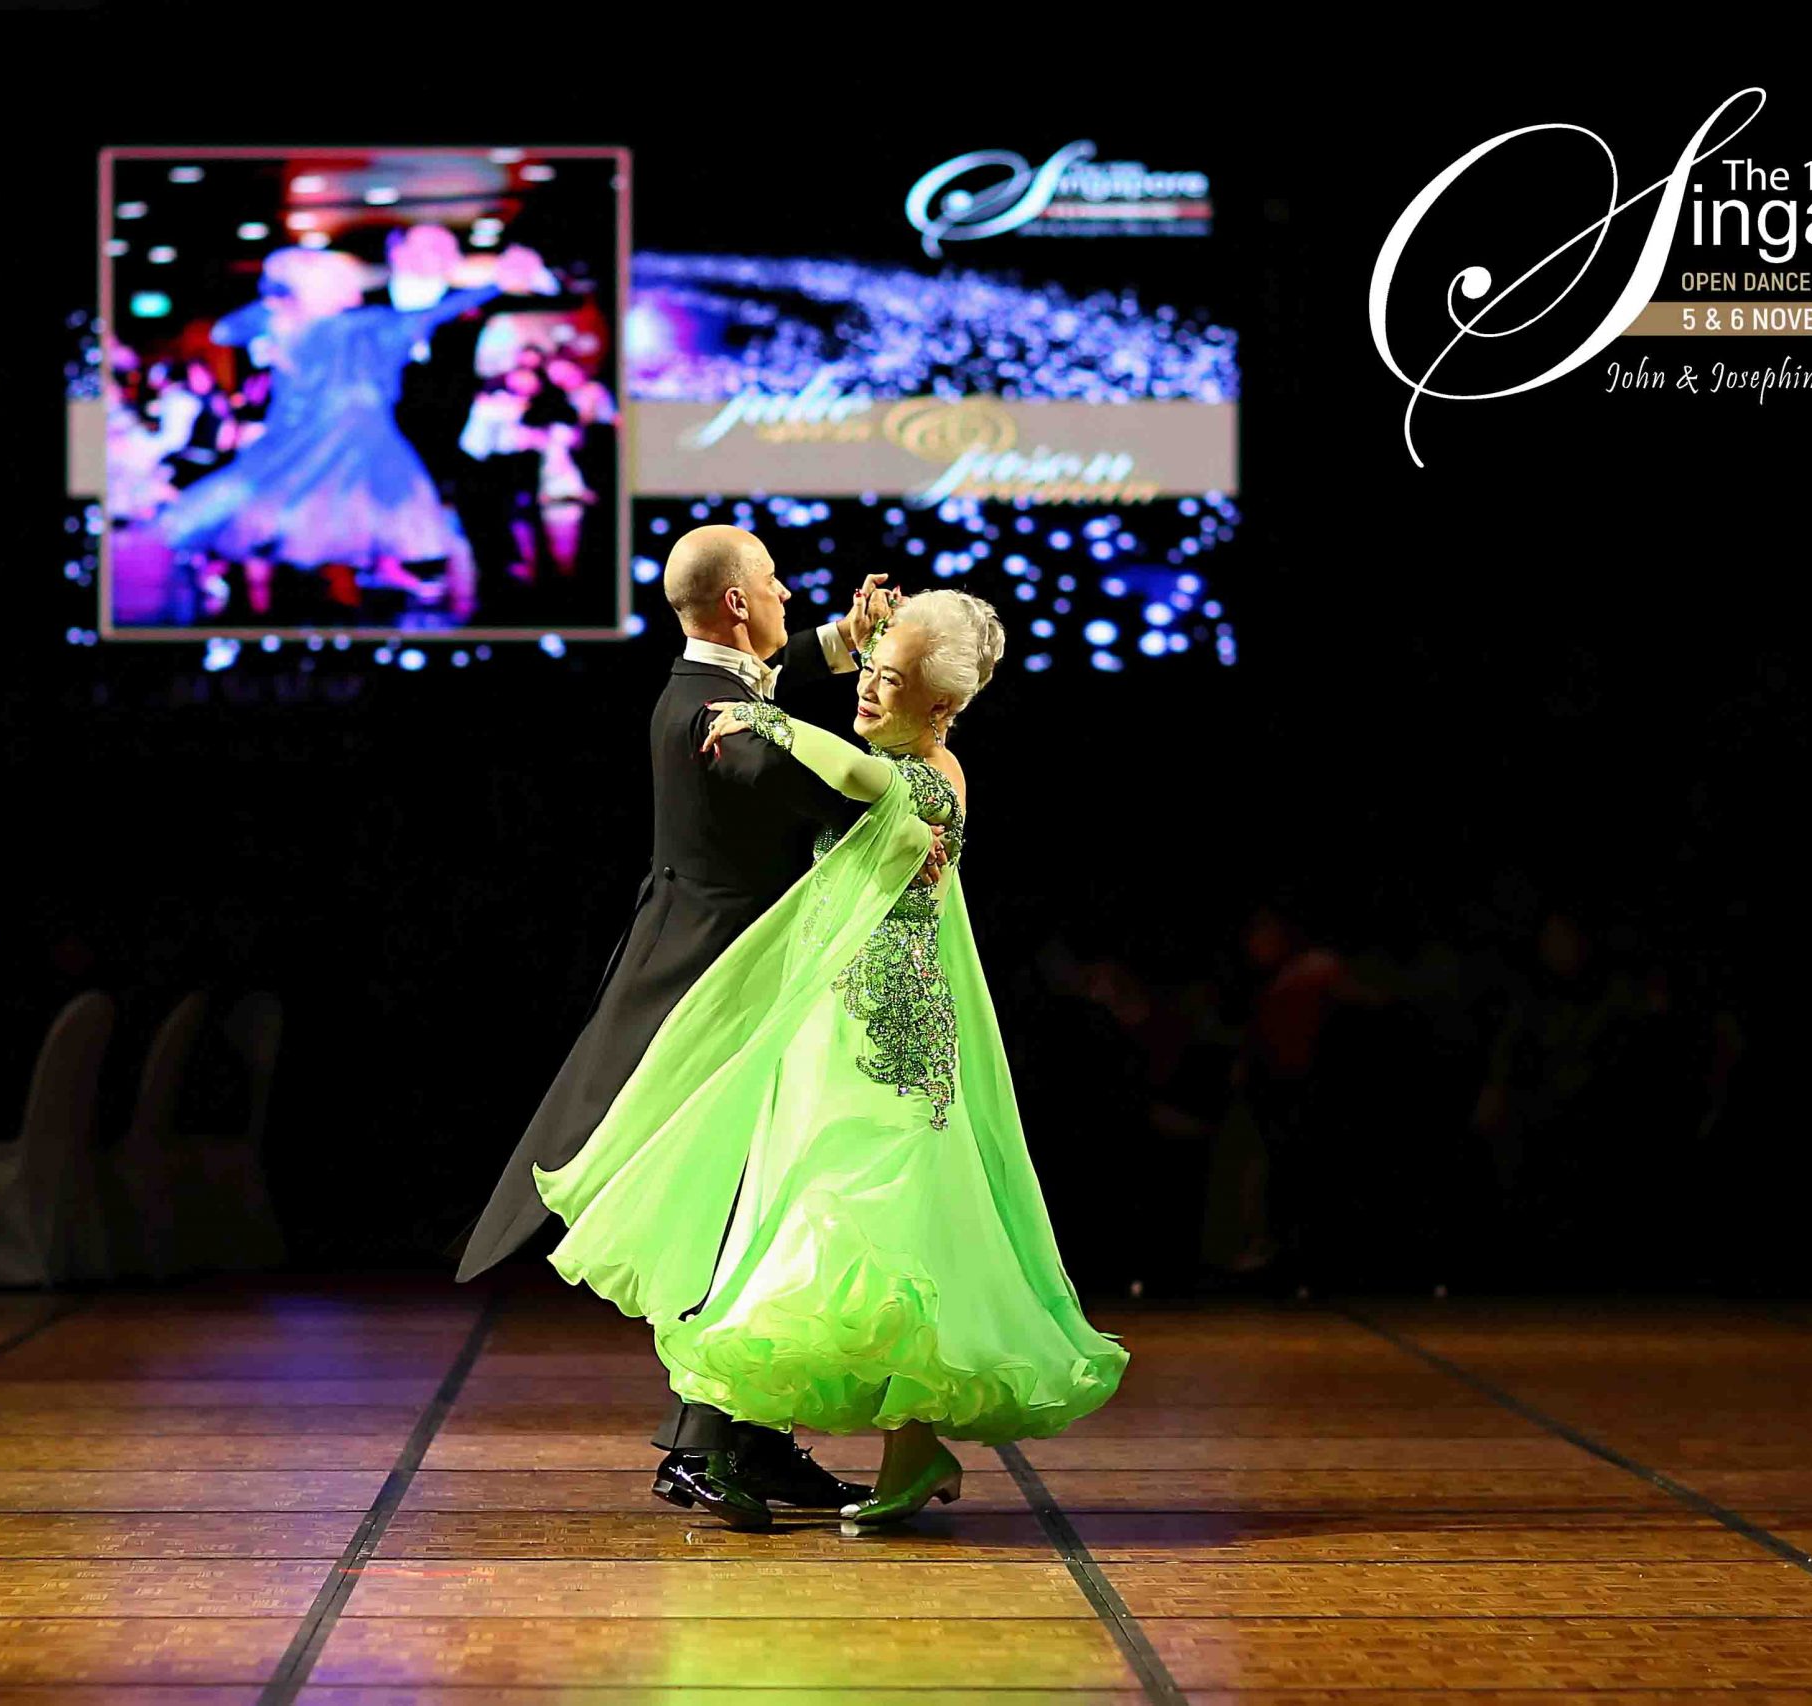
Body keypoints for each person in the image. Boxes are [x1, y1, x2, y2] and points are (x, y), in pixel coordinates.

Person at [535, 590, 1127, 1529]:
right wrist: (833, 652)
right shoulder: (898, 766)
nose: (868, 689)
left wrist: (770, 720)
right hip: (832, 1033)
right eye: (871, 671)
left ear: (941, 707)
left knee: (870, 1228)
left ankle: (752, 1441)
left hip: (887, 1044)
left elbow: (854, 772)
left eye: (890, 681)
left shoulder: (923, 780)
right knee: (845, 1229)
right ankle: (886, 1449)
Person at [455, 525, 929, 1528]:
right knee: (733, 1216)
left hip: (742, 986)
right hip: (713, 998)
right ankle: (699, 1448)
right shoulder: (719, 724)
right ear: (738, 605)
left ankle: (751, 1438)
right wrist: (910, 804)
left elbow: (770, 691)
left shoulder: (712, 689)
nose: (788, 592)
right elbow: (809, 786)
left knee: (763, 1208)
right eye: (774, 582)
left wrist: (845, 642)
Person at [158, 239, 557, 624]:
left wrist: (275, 305)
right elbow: (226, 332)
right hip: (324, 435)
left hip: (344, 435)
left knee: (325, 515)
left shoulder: (330, 323)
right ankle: (324, 597)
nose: (351, 289)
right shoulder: (332, 323)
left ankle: (338, 594)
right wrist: (495, 283)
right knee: (311, 515)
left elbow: (228, 331)